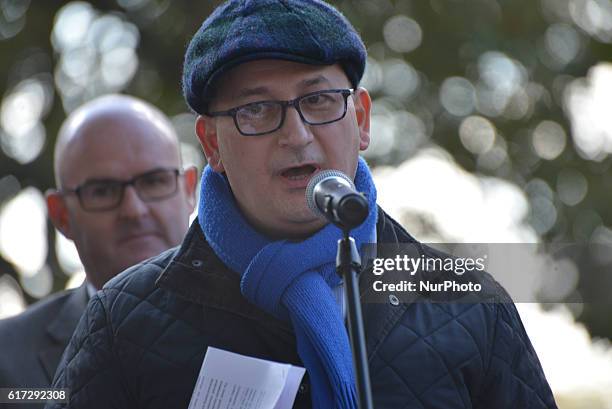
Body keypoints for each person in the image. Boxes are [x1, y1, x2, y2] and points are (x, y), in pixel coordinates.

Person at [47, 1, 558, 408]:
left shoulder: (468, 304)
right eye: (257, 109)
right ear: (212, 145)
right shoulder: (123, 322)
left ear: (360, 120)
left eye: (317, 100)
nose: (296, 134)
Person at [0, 95, 197, 402]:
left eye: (154, 181)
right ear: (61, 215)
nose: (134, 210)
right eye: (103, 191)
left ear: (189, 190)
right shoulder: (7, 361)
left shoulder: (260, 325)